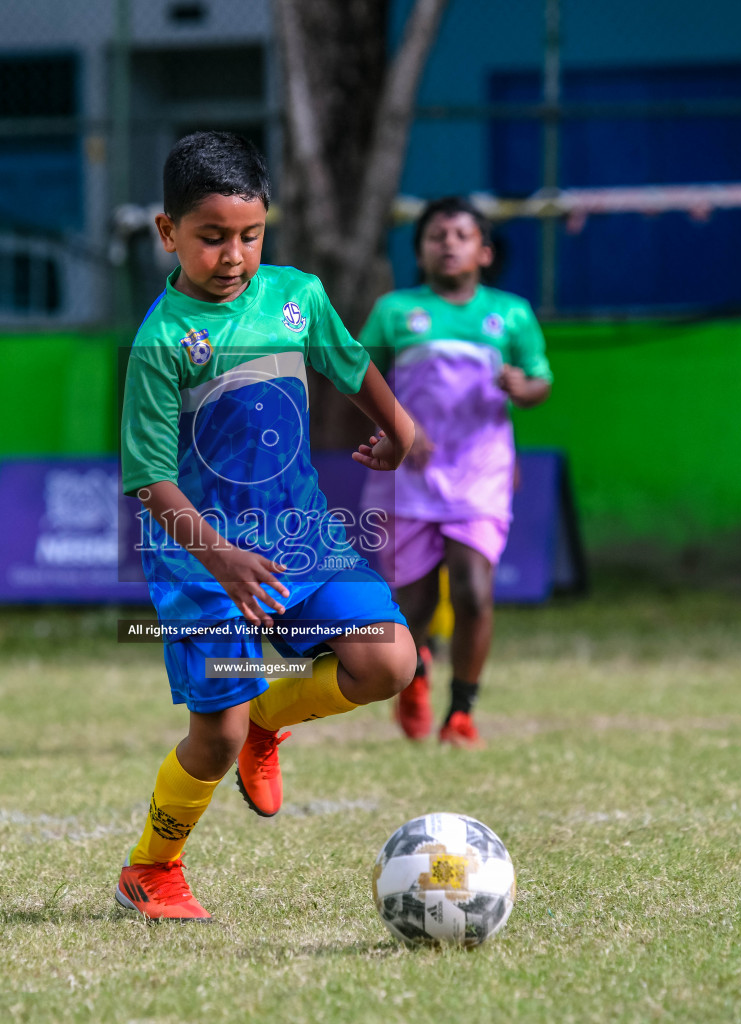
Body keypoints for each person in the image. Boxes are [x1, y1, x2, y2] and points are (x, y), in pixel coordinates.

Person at [116, 131, 418, 920]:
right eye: (212, 237)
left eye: (250, 235)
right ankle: (151, 868)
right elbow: (149, 479)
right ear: (167, 232)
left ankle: (268, 723)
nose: (234, 255)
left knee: (389, 663)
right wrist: (221, 559)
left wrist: (398, 425)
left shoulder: (296, 295)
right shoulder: (159, 342)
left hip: (302, 535)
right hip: (200, 560)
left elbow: (347, 361)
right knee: (211, 740)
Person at [359, 196, 553, 749]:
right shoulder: (395, 311)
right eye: (436, 235)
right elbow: (355, 375)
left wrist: (525, 387)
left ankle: (461, 712)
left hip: (481, 473)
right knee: (411, 604)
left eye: (461, 235)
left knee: (472, 589)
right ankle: (414, 676)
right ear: (419, 250)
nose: (448, 243)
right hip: (408, 472)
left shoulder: (510, 314)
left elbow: (541, 381)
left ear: (484, 251)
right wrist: (399, 427)